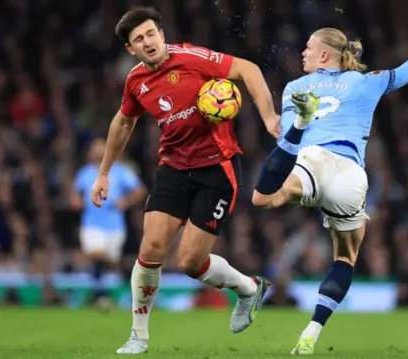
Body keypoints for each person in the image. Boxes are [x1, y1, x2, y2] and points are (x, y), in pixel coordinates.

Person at [89, 6, 279, 354]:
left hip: (216, 169)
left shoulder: (192, 57)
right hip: (174, 168)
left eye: (150, 34)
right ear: (131, 49)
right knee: (150, 249)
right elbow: (123, 122)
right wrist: (104, 172)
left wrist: (268, 116)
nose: (147, 42)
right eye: (138, 40)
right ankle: (138, 336)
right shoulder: (136, 82)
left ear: (161, 34)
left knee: (190, 262)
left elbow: (247, 69)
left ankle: (249, 288)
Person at [250, 27, 408, 354]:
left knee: (263, 196)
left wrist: (289, 127)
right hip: (351, 173)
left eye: (309, 48)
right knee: (345, 257)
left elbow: (282, 137)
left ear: (325, 55)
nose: (303, 53)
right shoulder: (367, 81)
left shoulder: (295, 88)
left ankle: (303, 124)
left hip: (311, 161)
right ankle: (312, 330)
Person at [71, 139, 146, 305]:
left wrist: (125, 202)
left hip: (115, 226)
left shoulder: (121, 171)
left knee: (112, 262)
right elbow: (74, 195)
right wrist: (77, 201)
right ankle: (101, 295)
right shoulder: (85, 173)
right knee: (97, 254)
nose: (97, 151)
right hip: (91, 224)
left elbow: (140, 190)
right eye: (94, 148)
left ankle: (121, 292)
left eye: (100, 147)